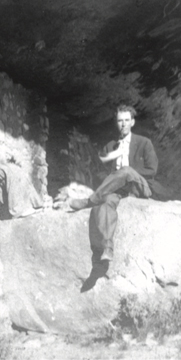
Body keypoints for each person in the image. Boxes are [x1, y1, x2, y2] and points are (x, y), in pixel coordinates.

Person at [66, 105, 158, 262]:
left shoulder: (144, 142)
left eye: (127, 120)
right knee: (106, 203)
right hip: (119, 189)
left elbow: (152, 170)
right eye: (120, 121)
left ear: (133, 122)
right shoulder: (111, 145)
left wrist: (129, 172)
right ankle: (108, 247)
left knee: (126, 170)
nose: (123, 124)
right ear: (116, 123)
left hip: (140, 186)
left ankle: (89, 200)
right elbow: (99, 162)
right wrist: (114, 154)